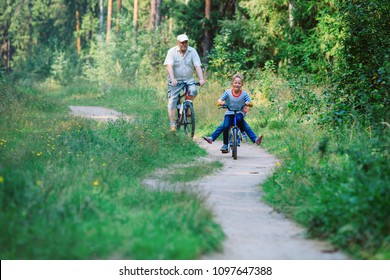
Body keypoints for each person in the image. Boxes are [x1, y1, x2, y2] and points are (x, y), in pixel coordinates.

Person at [203, 73, 262, 152]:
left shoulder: (244, 94)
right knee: (225, 126)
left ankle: (251, 137)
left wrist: (249, 103)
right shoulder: (227, 93)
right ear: (232, 83)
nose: (237, 85)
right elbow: (220, 100)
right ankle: (225, 145)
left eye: (239, 83)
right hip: (229, 113)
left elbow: (250, 102)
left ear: (242, 84)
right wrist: (220, 102)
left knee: (240, 118)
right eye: (235, 83)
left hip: (239, 112)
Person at [164, 34, 206, 131]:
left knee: (194, 91)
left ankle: (187, 106)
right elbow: (169, 66)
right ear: (178, 43)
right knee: (172, 101)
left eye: (186, 42)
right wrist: (173, 78)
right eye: (182, 42)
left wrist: (201, 79)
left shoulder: (192, 51)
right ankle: (172, 124)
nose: (184, 44)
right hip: (175, 80)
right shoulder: (172, 51)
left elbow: (197, 66)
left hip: (188, 79)